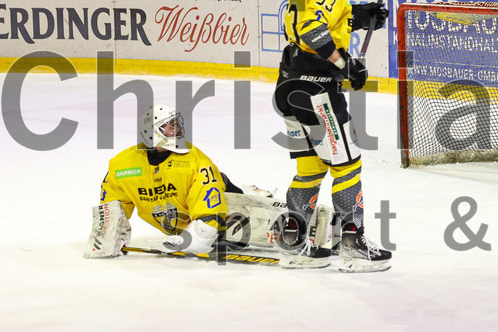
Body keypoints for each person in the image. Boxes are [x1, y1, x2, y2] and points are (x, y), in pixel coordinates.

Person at [85, 105, 330, 267]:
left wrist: (200, 234)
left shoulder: (194, 160)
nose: (177, 130)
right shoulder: (122, 165)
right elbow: (114, 202)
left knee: (246, 219)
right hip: (179, 219)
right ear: (151, 131)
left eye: (177, 125)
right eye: (169, 126)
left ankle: (301, 219)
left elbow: (209, 203)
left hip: (211, 199)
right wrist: (108, 236)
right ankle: (248, 191)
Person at [273, 0, 391, 270]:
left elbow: (306, 22)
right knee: (347, 165)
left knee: (309, 169)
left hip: (290, 89)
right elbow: (313, 31)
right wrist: (345, 64)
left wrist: (358, 16)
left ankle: (294, 244)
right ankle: (352, 243)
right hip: (318, 94)